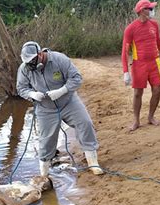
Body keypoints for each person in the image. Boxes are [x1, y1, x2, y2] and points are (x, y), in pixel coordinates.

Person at [16, 41, 103, 176]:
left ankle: (93, 162)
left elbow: (76, 78)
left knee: (85, 124)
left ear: (40, 54)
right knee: (46, 140)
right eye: (27, 62)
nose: (30, 64)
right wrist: (32, 94)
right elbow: (21, 88)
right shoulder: (24, 69)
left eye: (32, 60)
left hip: (68, 101)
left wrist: (62, 90)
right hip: (45, 108)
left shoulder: (59, 59)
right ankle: (44, 174)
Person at [122, 0, 160, 131]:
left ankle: (151, 116)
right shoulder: (130, 29)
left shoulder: (154, 25)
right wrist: (125, 72)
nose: (152, 11)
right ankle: (136, 120)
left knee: (157, 90)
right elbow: (125, 51)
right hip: (139, 64)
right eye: (150, 9)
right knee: (137, 93)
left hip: (154, 63)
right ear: (142, 11)